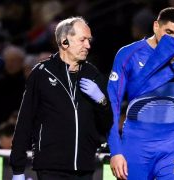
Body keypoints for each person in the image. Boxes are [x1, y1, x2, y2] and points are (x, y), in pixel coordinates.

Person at [10, 17, 113, 180]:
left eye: (89, 40)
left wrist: (102, 100)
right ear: (65, 42)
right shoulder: (42, 73)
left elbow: (107, 123)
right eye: (83, 40)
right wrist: (18, 170)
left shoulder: (93, 75)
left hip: (84, 167)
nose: (88, 45)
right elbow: (24, 122)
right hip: (51, 167)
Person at [107, 7, 174, 180]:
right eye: (168, 32)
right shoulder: (128, 54)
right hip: (136, 144)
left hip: (171, 144)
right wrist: (115, 151)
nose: (173, 39)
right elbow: (112, 103)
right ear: (155, 26)